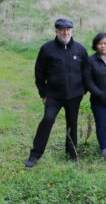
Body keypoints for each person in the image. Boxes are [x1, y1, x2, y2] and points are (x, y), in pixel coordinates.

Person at [24, 18, 88, 167]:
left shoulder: (80, 49)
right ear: (56, 31)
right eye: (62, 30)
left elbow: (87, 71)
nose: (65, 32)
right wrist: (43, 93)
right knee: (48, 119)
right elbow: (39, 72)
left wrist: (83, 90)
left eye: (68, 30)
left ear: (71, 31)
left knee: (72, 123)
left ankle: (72, 153)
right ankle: (35, 155)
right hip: (53, 96)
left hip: (74, 95)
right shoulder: (47, 49)